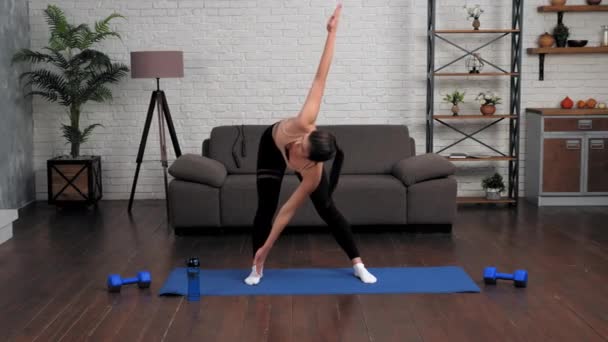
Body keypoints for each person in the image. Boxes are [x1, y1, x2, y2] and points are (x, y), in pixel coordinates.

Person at [244, 4, 377, 286]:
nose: (297, 145)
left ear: (311, 161)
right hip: (270, 146)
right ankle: (257, 267)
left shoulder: (313, 173)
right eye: (301, 141)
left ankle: (358, 263)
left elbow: (288, 211)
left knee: (327, 207)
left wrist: (272, 242)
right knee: (265, 207)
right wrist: (331, 33)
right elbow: (321, 76)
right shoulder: (304, 121)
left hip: (309, 170)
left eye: (302, 150)